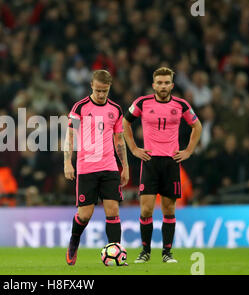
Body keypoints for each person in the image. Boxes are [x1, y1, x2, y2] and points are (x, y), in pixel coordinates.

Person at [123, 67, 202, 263]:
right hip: (149, 162)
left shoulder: (181, 105)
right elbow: (125, 122)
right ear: (153, 85)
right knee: (146, 210)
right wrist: (133, 148)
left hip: (170, 163)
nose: (163, 86)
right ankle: (145, 252)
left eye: (166, 82)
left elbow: (197, 126)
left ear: (172, 85)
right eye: (159, 82)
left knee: (169, 210)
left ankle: (167, 253)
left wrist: (188, 151)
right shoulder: (142, 103)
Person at [64, 70, 129, 266]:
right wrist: (67, 162)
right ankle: (74, 242)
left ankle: (115, 253)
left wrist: (124, 165)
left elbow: (119, 140)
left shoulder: (116, 109)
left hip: (109, 166)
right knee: (85, 214)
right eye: (98, 90)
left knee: (113, 210)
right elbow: (70, 136)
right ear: (91, 85)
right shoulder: (80, 107)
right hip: (86, 167)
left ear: (109, 88)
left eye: (105, 91)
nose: (101, 94)